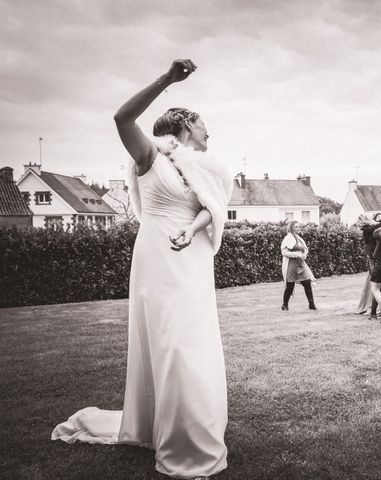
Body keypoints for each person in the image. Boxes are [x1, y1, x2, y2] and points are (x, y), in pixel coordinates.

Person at [52, 59, 233, 479]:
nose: (210, 133)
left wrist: (191, 229)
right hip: (158, 260)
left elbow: (211, 209)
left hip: (191, 260)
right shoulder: (150, 156)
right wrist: (168, 80)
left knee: (196, 343)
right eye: (204, 125)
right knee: (173, 347)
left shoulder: (197, 170)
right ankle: (181, 442)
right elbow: (121, 117)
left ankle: (191, 427)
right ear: (186, 125)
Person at [281, 220, 316, 310]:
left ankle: (311, 305)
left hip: (301, 264)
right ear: (291, 228)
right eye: (296, 227)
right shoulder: (287, 238)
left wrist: (304, 255)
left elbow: (305, 249)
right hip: (291, 264)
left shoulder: (300, 239)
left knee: (307, 283)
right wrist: (297, 255)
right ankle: (285, 305)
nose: (298, 228)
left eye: (299, 227)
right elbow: (284, 253)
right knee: (290, 286)